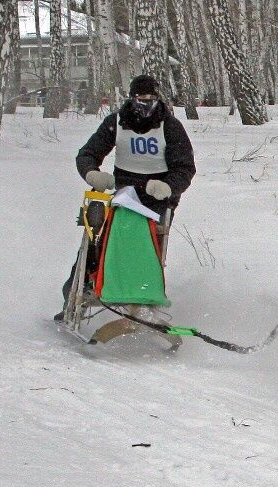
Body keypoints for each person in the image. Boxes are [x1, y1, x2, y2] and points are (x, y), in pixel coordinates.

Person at [55, 74, 196, 320]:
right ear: (132, 100)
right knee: (95, 238)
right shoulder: (116, 122)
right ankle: (78, 293)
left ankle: (143, 293)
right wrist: (92, 174)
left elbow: (185, 168)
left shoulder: (170, 127)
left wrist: (168, 187)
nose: (146, 105)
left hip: (157, 197)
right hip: (124, 195)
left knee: (148, 243)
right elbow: (87, 154)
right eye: (141, 100)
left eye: (151, 99)